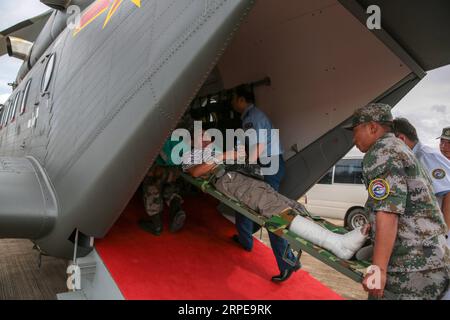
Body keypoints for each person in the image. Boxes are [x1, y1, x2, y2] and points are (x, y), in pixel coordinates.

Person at [181, 135, 370, 262]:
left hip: (244, 178)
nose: (208, 140)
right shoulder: (191, 155)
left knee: (287, 204)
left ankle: (336, 238)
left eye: (208, 137)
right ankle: (335, 244)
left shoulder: (214, 152)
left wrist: (238, 157)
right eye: (203, 136)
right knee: (273, 208)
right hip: (228, 180)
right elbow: (196, 172)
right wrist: (223, 156)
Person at [347, 103, 450, 300]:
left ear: (372, 127)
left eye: (355, 131)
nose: (354, 139)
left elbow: (388, 212)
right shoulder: (397, 147)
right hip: (426, 260)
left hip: (413, 266)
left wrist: (379, 271)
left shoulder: (382, 152)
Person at [230, 84, 299, 282]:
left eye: (234, 98)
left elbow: (258, 145)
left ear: (242, 100)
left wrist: (247, 167)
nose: (232, 102)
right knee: (244, 201)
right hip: (267, 164)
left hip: (269, 165)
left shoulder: (253, 118)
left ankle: (288, 263)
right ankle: (245, 240)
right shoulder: (248, 118)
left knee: (271, 214)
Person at [393, 118, 450, 246]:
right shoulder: (415, 156)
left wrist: (444, 233)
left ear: (401, 139)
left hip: (437, 237)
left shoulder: (426, 157)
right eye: (442, 141)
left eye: (449, 143)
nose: (444, 146)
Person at [138, 138, 187, 236]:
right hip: (174, 167)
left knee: (152, 192)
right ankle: (176, 210)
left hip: (158, 166)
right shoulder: (181, 128)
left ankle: (156, 225)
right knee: (170, 189)